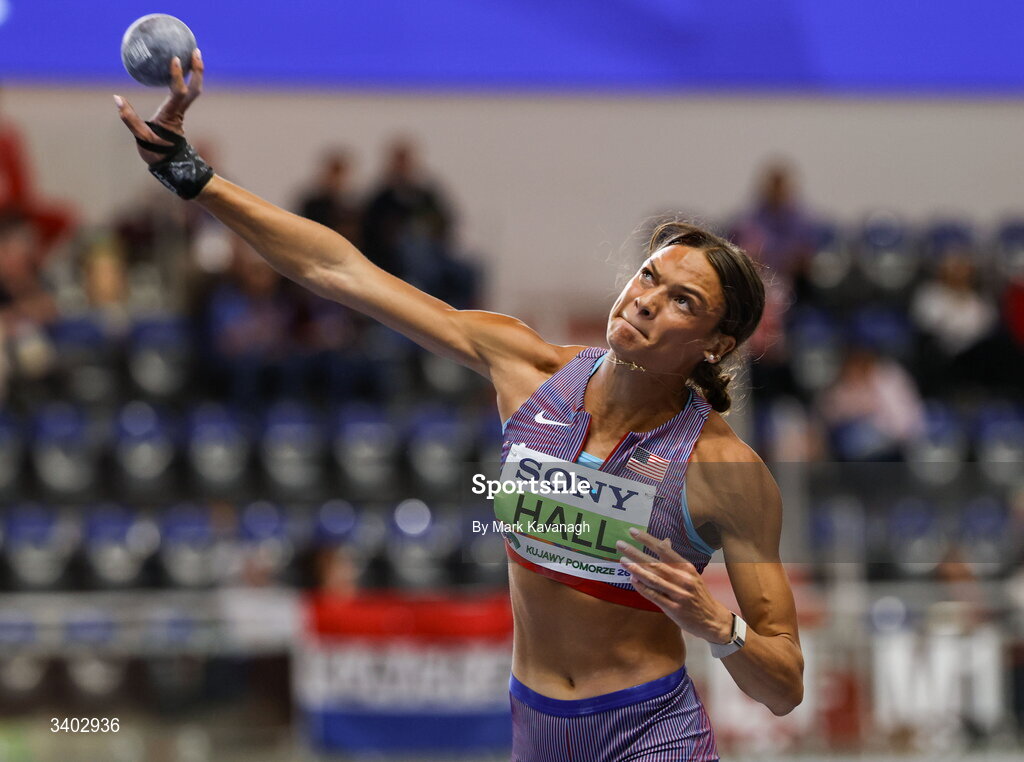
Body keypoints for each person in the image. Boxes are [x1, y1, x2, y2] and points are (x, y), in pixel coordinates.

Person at [113, 54, 803, 760]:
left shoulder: (725, 470)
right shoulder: (527, 369)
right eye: (650, 276)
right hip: (533, 730)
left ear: (717, 345)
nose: (649, 299)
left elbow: (784, 686)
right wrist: (195, 179)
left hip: (650, 734)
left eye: (683, 300)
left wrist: (718, 625)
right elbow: (340, 270)